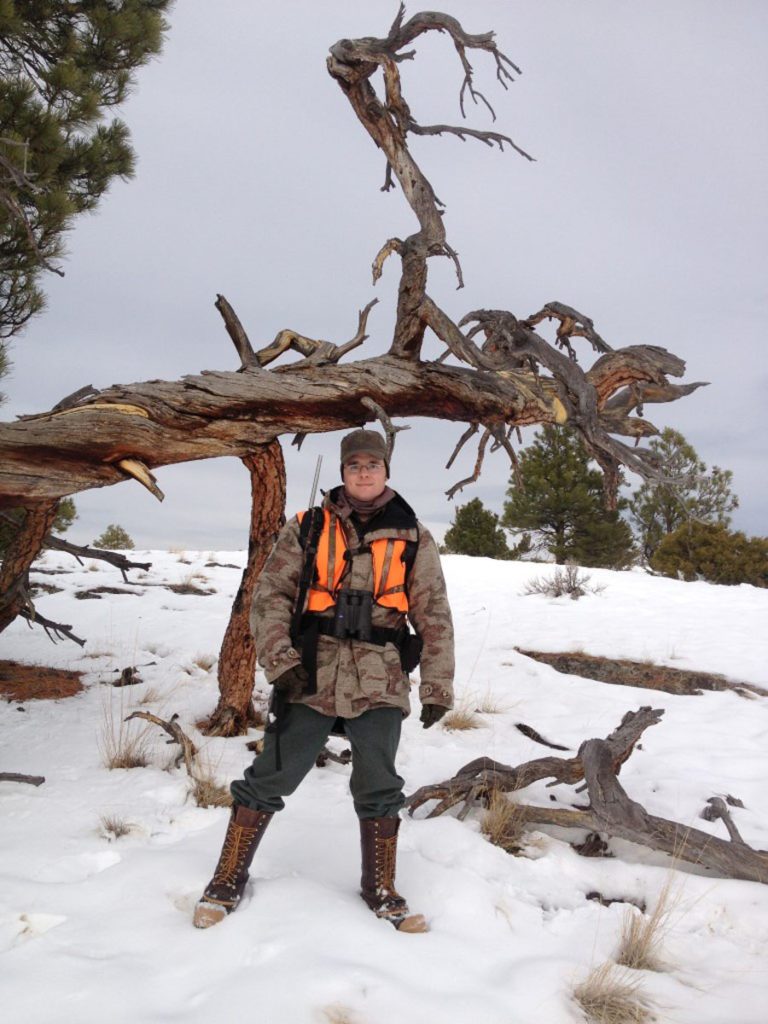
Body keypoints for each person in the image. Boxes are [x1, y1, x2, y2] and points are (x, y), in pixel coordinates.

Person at [193, 428, 454, 933]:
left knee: (380, 784)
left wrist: (437, 685)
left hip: (380, 678)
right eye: (354, 465)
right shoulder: (307, 527)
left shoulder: (414, 535)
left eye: (372, 465)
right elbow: (269, 597)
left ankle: (381, 889)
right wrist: (281, 662)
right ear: (342, 472)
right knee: (271, 774)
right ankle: (227, 878)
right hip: (309, 673)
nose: (363, 472)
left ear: (386, 470)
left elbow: (434, 613)